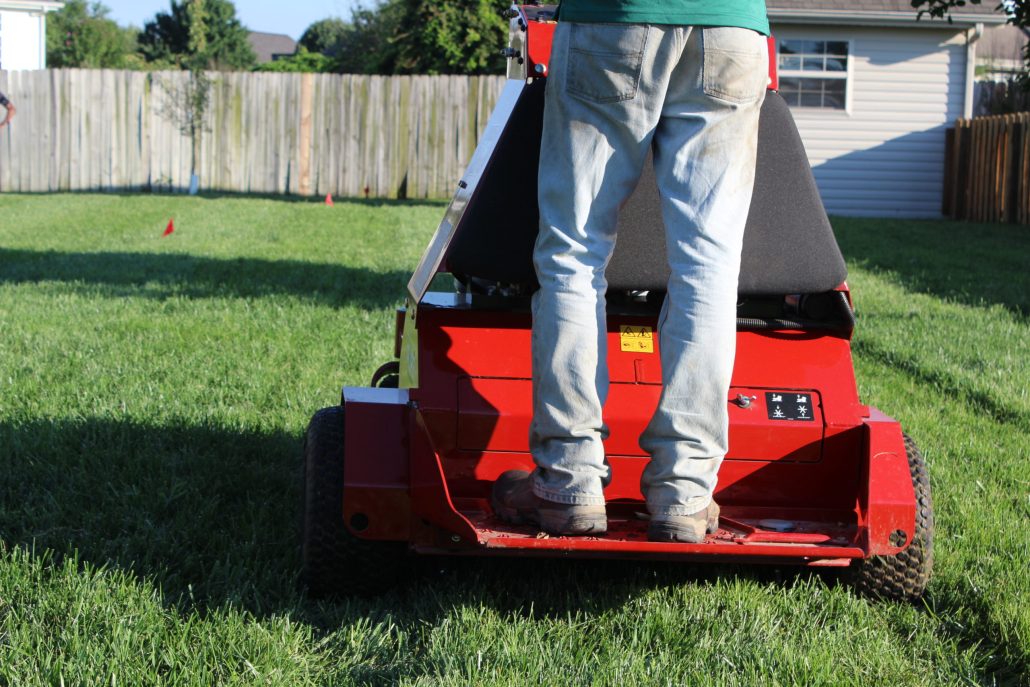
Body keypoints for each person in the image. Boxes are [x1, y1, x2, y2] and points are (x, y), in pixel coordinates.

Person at [491, 1, 770, 543]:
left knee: (575, 251)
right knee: (708, 264)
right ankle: (685, 494)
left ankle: (568, 482)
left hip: (613, 19)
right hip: (732, 27)